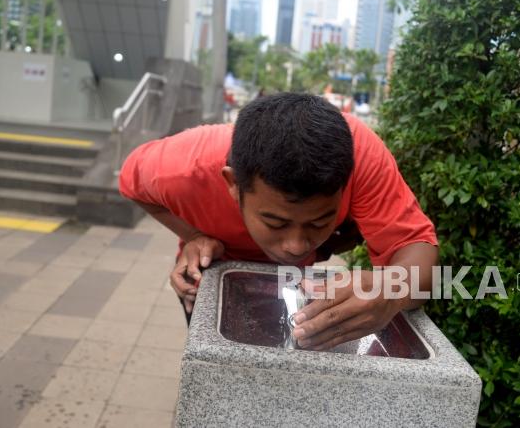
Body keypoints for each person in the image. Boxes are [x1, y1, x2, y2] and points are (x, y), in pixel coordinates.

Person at [118, 92, 438, 350]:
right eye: (275, 222)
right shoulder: (182, 167)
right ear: (232, 184)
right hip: (213, 270)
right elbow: (130, 184)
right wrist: (194, 236)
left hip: (295, 283)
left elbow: (416, 250)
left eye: (319, 222)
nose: (296, 245)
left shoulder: (361, 155)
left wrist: (392, 288)